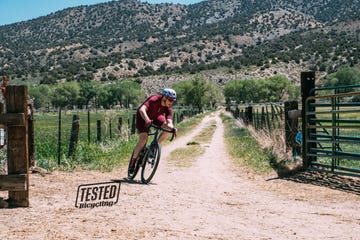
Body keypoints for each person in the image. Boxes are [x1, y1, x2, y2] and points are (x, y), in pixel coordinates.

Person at [129, 88, 178, 173]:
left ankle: (154, 147)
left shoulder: (168, 107)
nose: (171, 102)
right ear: (164, 97)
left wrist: (173, 128)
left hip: (155, 117)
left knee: (167, 129)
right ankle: (133, 162)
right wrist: (147, 120)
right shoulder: (154, 99)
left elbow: (169, 121)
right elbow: (142, 109)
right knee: (143, 139)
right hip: (143, 117)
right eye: (170, 100)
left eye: (173, 101)